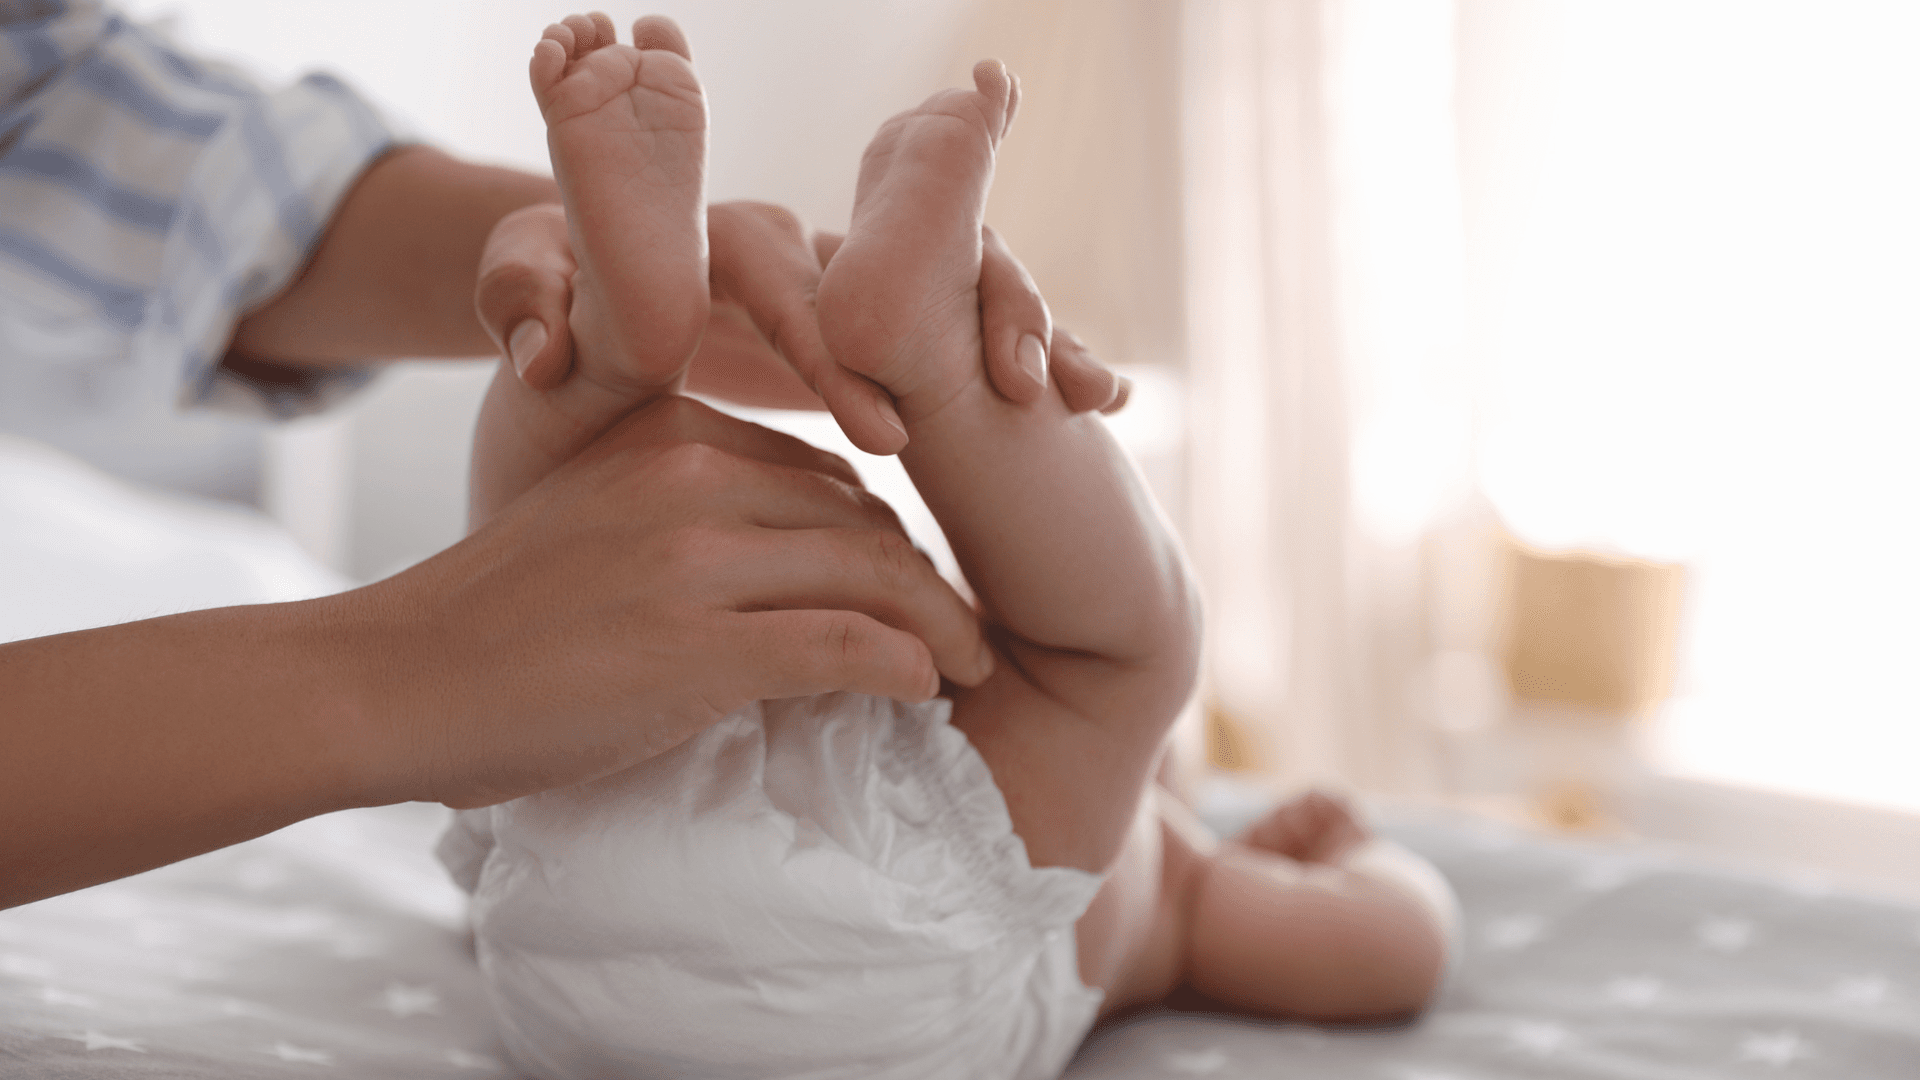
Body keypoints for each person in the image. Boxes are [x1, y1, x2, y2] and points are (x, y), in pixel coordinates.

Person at [443, 17, 1456, 1080]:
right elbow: (1402, 949)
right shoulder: (1181, 891)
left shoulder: (1151, 846)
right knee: (1126, 664)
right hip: (788, 980)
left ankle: (616, 349)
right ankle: (820, 358)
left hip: (568, 945)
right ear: (1166, 786)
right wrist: (1363, 857)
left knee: (538, 607)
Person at [0, 4, 1125, 910]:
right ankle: (911, 366)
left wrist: (567, 254)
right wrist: (407, 664)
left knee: (1102, 657)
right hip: (880, 926)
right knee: (1117, 673)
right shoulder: (1150, 880)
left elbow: (46, 108)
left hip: (558, 892)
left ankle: (636, 340)